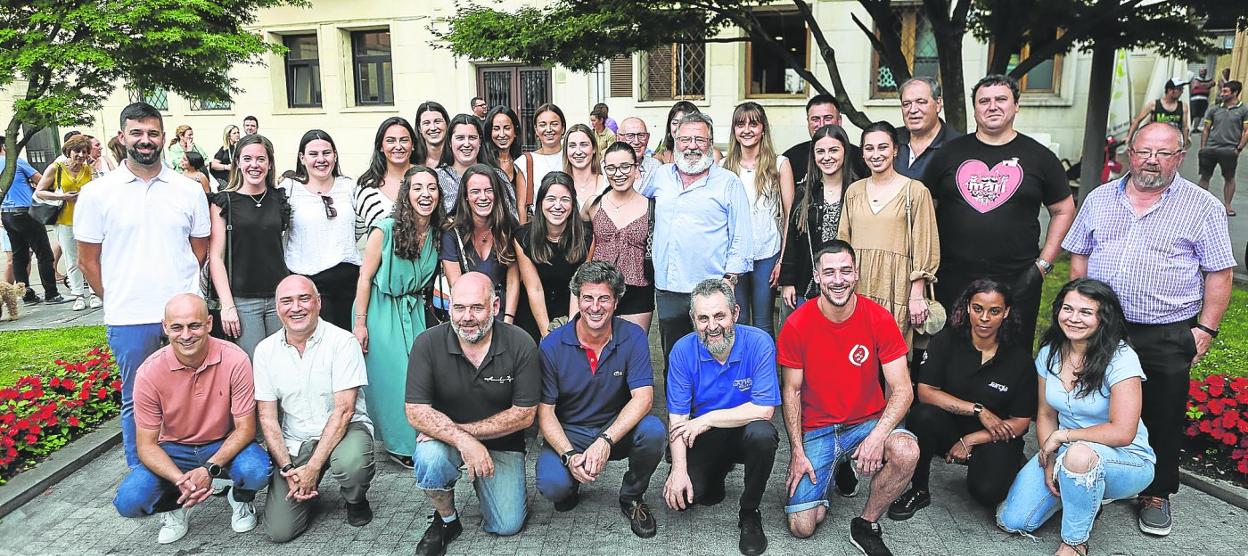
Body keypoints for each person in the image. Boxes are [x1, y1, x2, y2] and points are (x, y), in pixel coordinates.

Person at [1063, 122, 1235, 536]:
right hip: (1104, 328)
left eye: (1163, 153)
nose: (1151, 161)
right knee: (1098, 407)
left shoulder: (1203, 207)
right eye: (1143, 151)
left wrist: (1206, 329)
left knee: (1162, 412)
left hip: (1166, 331)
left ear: (1180, 156)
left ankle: (1156, 492)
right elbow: (1080, 255)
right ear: (1130, 152)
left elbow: (1219, 272)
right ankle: (1097, 477)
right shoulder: (1099, 198)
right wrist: (1079, 310)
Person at [76, 102, 211, 469]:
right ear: (122, 137)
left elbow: (199, 250)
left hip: (183, 316)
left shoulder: (188, 190)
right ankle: (146, 477)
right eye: (136, 133)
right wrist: (117, 297)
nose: (145, 140)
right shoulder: (97, 193)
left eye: (152, 133)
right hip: (129, 317)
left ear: (163, 138)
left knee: (194, 395)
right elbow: (87, 261)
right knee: (138, 401)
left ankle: (197, 474)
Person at [777, 241, 919, 555]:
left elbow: (903, 389)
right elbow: (792, 391)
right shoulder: (797, 324)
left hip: (866, 423)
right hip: (819, 428)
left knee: (907, 451)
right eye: (829, 272)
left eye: (845, 270)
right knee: (803, 526)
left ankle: (866, 523)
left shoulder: (878, 318)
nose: (838, 279)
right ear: (817, 276)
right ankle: (836, 468)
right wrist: (797, 452)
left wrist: (877, 436)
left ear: (856, 273)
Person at [997, 279, 1156, 556]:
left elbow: (1123, 432)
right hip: (1066, 451)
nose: (1073, 318)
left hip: (1126, 459)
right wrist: (1048, 459)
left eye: (1085, 312)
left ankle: (1074, 543)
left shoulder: (1121, 358)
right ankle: (1081, 494)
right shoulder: (1049, 353)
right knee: (1013, 521)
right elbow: (1046, 413)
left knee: (1079, 456)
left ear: (1103, 317)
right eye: (1068, 309)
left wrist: (1064, 436)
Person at [921, 74, 1076, 348]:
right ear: (975, 109)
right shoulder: (948, 154)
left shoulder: (1040, 157)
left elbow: (1064, 209)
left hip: (1017, 280)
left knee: (1010, 357)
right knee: (952, 353)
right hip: (953, 278)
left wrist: (1043, 265)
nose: (992, 106)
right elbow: (925, 208)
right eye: (984, 101)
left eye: (1001, 99)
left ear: (1016, 105)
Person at [111, 294, 271, 544]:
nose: (186, 335)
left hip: (222, 442)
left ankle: (241, 498)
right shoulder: (148, 372)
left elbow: (246, 429)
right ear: (165, 327)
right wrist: (180, 480)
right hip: (174, 448)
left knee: (257, 470)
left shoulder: (235, 359)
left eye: (194, 325)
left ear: (209, 323)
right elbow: (146, 446)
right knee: (129, 501)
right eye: (177, 327)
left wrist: (209, 469)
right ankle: (176, 505)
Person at [406, 272, 541, 554]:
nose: (467, 317)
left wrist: (466, 435)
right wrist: (463, 441)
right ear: (450, 307)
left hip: (502, 442)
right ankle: (446, 520)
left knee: (508, 525)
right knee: (430, 459)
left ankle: (485, 481)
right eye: (459, 307)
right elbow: (416, 411)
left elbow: (525, 415)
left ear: (495, 306)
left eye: (477, 308)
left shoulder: (521, 343)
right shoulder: (427, 343)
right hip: (446, 440)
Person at [534, 261, 664, 538]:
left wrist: (605, 440)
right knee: (552, 486)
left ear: (616, 302)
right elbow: (544, 412)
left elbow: (643, 398)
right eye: (588, 298)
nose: (595, 307)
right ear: (578, 299)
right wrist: (569, 454)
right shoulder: (552, 345)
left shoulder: (633, 336)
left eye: (604, 298)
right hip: (571, 431)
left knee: (653, 431)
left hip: (613, 427)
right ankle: (571, 483)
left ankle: (632, 496)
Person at [888, 278, 1035, 521]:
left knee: (988, 492)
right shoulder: (946, 341)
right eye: (978, 308)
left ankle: (1007, 463)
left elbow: (1020, 422)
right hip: (950, 428)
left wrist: (972, 440)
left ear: (1006, 312)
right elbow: (926, 391)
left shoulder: (1020, 360)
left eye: (994, 311)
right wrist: (978, 410)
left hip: (993, 436)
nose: (984, 318)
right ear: (967, 307)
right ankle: (918, 490)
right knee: (922, 415)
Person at [255, 276, 376, 542]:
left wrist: (312, 468)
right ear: (277, 307)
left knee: (351, 464)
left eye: (304, 298)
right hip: (297, 439)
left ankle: (355, 499)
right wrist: (288, 468)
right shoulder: (264, 351)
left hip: (345, 430)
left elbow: (344, 411)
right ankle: (306, 490)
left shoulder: (343, 342)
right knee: (279, 532)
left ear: (318, 302)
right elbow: (267, 417)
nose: (296, 307)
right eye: (287, 301)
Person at [663, 279, 779, 556]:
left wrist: (707, 418)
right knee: (689, 499)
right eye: (703, 318)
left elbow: (764, 410)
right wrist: (679, 470)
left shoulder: (759, 342)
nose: (712, 326)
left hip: (743, 430)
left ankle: (750, 512)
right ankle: (715, 475)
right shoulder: (682, 350)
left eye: (719, 316)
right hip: (705, 434)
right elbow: (677, 418)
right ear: (693, 319)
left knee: (763, 435)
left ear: (735, 314)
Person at [640, 112, 752, 374]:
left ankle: (714, 402)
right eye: (685, 139)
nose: (692, 146)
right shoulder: (660, 176)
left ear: (710, 143)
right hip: (668, 289)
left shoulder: (728, 182)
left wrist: (730, 280)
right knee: (674, 360)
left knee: (715, 359)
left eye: (699, 140)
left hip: (711, 290)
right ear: (675, 141)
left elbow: (742, 236)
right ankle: (677, 402)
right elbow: (631, 200)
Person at [352, 165, 445, 468]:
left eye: (431, 188)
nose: (425, 194)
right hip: (380, 308)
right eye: (418, 188)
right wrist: (360, 323)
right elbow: (365, 278)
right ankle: (400, 444)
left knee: (419, 376)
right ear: (407, 193)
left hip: (414, 308)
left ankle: (422, 434)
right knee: (393, 379)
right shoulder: (385, 229)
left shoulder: (437, 232)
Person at [838, 121, 939, 348]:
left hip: (896, 285)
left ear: (895, 150)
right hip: (859, 284)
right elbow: (843, 241)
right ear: (862, 153)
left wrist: (916, 294)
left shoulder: (915, 191)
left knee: (893, 353)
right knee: (857, 351)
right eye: (869, 148)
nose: (876, 154)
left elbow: (925, 245)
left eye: (882, 147)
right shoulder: (854, 191)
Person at [207, 134, 290, 359]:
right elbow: (216, 257)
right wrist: (227, 305)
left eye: (261, 159)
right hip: (243, 300)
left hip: (279, 296)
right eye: (247, 159)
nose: (254, 165)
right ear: (238, 163)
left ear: (269, 164)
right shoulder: (224, 202)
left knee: (281, 363)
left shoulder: (279, 199)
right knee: (252, 365)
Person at [722, 102, 795, 336]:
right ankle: (742, 362)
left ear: (763, 128)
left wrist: (783, 261)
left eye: (753, 124)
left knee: (763, 322)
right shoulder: (724, 166)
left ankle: (765, 362)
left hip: (768, 253)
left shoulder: (779, 164)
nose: (747, 130)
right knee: (738, 319)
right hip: (735, 256)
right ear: (734, 130)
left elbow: (790, 215)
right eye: (740, 124)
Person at [279, 129, 361, 330]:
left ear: (335, 155)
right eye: (313, 154)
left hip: (348, 280)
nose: (321, 159)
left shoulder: (349, 187)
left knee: (349, 340)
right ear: (302, 158)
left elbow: (360, 225)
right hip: (307, 282)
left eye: (326, 153)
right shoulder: (289, 189)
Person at [780, 125, 854, 309]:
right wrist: (788, 282)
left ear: (845, 151)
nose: (826, 157)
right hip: (809, 283)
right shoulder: (805, 193)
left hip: (847, 283)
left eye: (833, 150)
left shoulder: (857, 190)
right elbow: (792, 239)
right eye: (820, 151)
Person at [587, 143, 655, 332]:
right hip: (598, 289)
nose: (618, 173)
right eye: (611, 168)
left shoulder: (651, 207)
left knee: (633, 344)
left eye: (625, 166)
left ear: (636, 168)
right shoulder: (594, 205)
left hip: (637, 291)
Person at [516, 171, 592, 339]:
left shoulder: (587, 237)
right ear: (540, 202)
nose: (557, 206)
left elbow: (578, 287)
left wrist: (572, 329)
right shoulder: (523, 237)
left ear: (573, 203)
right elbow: (534, 288)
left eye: (565, 199)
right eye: (550, 199)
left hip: (570, 308)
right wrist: (546, 334)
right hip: (532, 311)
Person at [442, 164, 520, 325]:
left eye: (489, 190)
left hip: (503, 311)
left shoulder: (508, 227)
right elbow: (457, 286)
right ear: (465, 196)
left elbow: (513, 280)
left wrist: (508, 320)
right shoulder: (451, 232)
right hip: (469, 315)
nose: (483, 197)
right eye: (475, 191)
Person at [33, 135, 98, 311]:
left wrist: (94, 172)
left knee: (90, 257)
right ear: (68, 151)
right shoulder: (56, 168)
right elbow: (40, 191)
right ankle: (78, 295)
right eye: (77, 151)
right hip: (64, 219)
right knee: (72, 259)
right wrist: (62, 196)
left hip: (87, 219)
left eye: (85, 151)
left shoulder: (88, 169)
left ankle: (94, 293)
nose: (81, 155)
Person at [0, 138, 59, 305]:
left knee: (19, 256)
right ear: (4, 146)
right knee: (44, 253)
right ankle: (51, 293)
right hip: (26, 212)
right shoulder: (15, 162)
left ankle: (27, 294)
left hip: (7, 214)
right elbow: (42, 180)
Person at [436, 114, 517, 217]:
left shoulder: (498, 177)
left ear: (480, 141)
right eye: (460, 138)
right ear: (450, 142)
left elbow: (512, 217)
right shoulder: (436, 178)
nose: (466, 144)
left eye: (472, 138)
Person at [782, 95, 869, 186]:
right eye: (815, 119)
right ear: (808, 122)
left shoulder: (860, 158)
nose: (822, 124)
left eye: (828, 118)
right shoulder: (791, 159)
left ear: (839, 120)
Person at [354, 117, 416, 240]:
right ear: (381, 147)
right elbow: (354, 235)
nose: (398, 146)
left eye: (404, 140)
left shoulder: (427, 178)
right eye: (390, 141)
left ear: (413, 145)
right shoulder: (367, 189)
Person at [895, 77, 963, 179]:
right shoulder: (890, 140)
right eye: (906, 104)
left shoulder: (958, 147)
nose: (912, 110)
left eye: (921, 102)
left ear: (938, 104)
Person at [1197, 80, 1248, 216]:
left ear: (1235, 93)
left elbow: (1246, 130)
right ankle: (1200, 205)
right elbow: (1206, 129)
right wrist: (1203, 148)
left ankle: (1228, 206)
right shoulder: (1214, 109)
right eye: (1222, 90)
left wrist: (1239, 148)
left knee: (1229, 178)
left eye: (1225, 91)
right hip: (1210, 149)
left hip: (1229, 150)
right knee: (1204, 177)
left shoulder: (1243, 110)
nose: (1222, 93)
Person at [481, 105, 531, 223]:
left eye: (507, 128)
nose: (502, 134)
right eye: (496, 129)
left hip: (517, 227)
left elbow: (523, 205)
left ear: (515, 131)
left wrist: (521, 231)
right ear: (489, 132)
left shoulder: (522, 162)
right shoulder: (482, 162)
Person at [520, 103, 567, 215]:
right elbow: (522, 206)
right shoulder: (525, 161)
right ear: (536, 130)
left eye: (554, 124)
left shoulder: (573, 157)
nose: (549, 129)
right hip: (538, 223)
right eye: (543, 125)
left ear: (563, 128)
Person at [654, 101, 723, 165]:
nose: (679, 128)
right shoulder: (662, 157)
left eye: (685, 123)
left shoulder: (714, 156)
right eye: (675, 123)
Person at [1127, 80, 1190, 146]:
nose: (1182, 92)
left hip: (1174, 142)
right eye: (1179, 89)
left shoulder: (1183, 106)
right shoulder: (1153, 105)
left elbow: (1185, 127)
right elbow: (1137, 120)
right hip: (1157, 142)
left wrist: (1184, 144)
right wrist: (1129, 137)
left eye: (1182, 89)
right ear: (1170, 90)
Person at [563, 123, 608, 209]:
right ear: (566, 150)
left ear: (594, 148)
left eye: (584, 145)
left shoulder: (607, 184)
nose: (578, 152)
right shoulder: (558, 184)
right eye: (572, 146)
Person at [415, 101, 451, 169]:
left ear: (447, 124)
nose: (433, 128)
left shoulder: (458, 158)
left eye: (437, 121)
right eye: (426, 123)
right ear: (419, 128)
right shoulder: (413, 159)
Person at [1190, 68, 1214, 132]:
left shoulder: (1208, 79)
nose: (1203, 72)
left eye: (1204, 71)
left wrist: (1202, 85)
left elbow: (1213, 83)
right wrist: (1207, 85)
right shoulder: (1195, 79)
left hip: (1204, 99)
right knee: (1192, 114)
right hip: (1195, 99)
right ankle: (1189, 127)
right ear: (1199, 72)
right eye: (1201, 71)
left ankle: (1195, 128)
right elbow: (1195, 85)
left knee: (1199, 114)